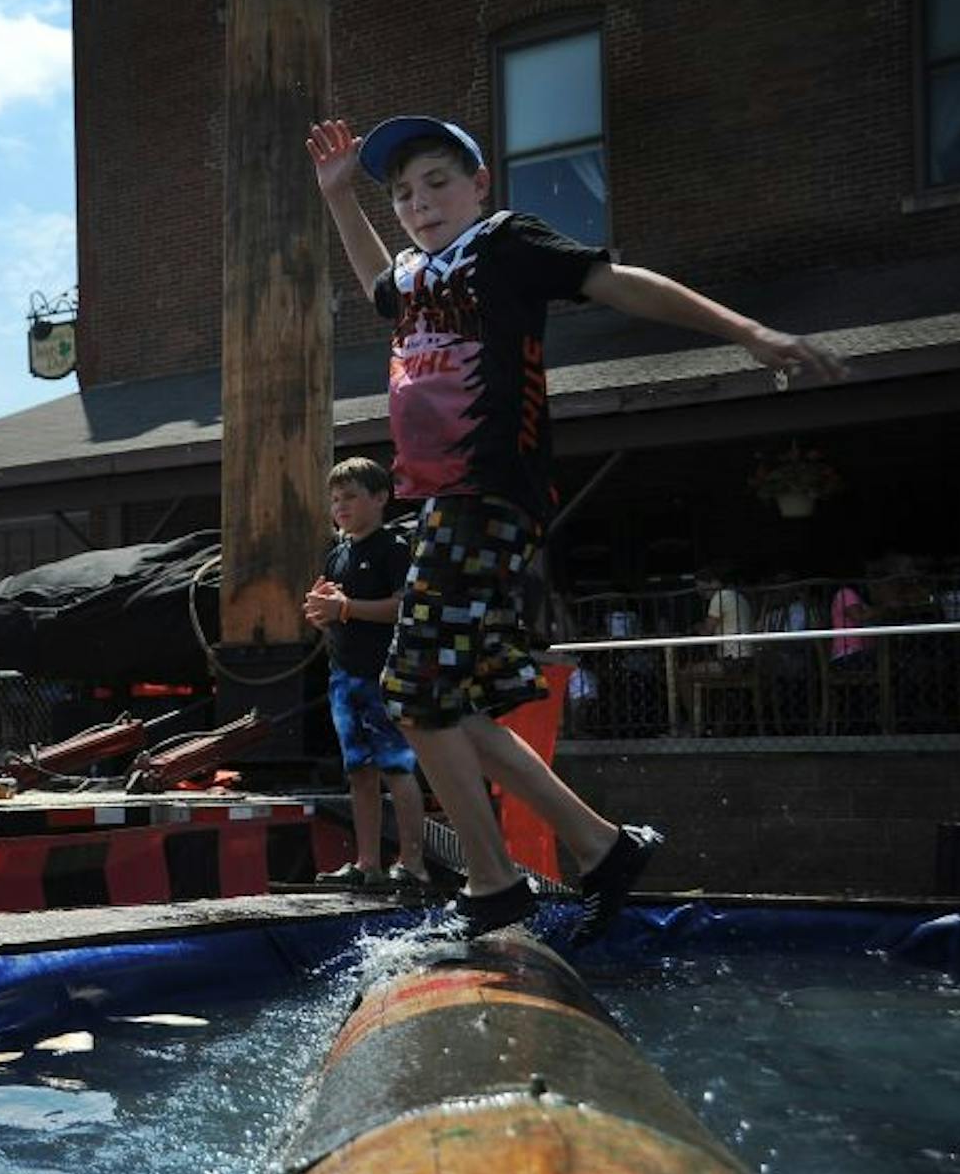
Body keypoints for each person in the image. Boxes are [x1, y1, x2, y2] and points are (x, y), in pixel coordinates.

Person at [307, 114, 845, 939]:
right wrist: (342, 198)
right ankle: (603, 848)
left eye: (438, 183)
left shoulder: (504, 242)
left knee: (412, 694)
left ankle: (493, 885)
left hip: (491, 493)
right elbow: (379, 280)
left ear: (480, 184)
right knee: (453, 702)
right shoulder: (415, 273)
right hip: (443, 502)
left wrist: (749, 332)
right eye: (405, 194)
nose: (420, 204)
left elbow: (619, 282)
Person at [302, 457, 432, 894]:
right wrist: (322, 611)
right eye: (335, 499)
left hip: (384, 675)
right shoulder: (337, 553)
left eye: (351, 497)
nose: (340, 506)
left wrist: (345, 608)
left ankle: (413, 864)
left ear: (380, 498)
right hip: (344, 675)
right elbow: (333, 612)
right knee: (359, 771)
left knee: (397, 767)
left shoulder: (393, 547)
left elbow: (403, 607)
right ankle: (367, 863)